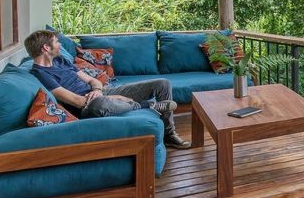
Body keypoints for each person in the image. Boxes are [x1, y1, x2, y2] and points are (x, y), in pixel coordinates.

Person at [23, 30, 191, 149]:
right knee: (100, 105)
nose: (59, 45)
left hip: (101, 93)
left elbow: (92, 80)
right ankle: (146, 106)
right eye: (56, 42)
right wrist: (100, 96)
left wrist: (98, 89)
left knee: (162, 84)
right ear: (46, 48)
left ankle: (169, 135)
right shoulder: (40, 74)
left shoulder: (61, 61)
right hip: (89, 106)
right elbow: (78, 101)